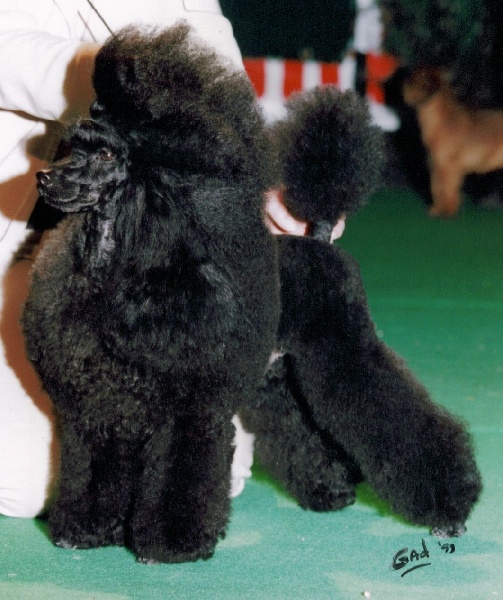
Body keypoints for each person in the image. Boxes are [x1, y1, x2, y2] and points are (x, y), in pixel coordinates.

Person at [0, 0, 343, 519]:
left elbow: (220, 84)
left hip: (125, 266)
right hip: (20, 250)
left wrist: (270, 182)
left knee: (206, 476)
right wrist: (133, 81)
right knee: (25, 479)